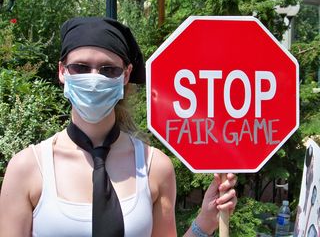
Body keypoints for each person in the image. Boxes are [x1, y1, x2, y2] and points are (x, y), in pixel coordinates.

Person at [0, 16, 237, 237]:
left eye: (108, 69)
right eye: (80, 68)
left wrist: (204, 223)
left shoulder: (154, 166)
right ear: (62, 71)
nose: (94, 78)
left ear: (126, 75)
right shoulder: (28, 168)